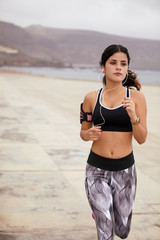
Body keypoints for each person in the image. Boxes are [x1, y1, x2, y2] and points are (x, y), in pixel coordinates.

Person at [80, 44, 147, 240]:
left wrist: (133, 115)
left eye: (123, 64)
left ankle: (104, 214)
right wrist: (88, 134)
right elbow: (83, 132)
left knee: (122, 231)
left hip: (125, 171)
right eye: (113, 63)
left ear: (127, 69)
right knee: (105, 230)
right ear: (103, 67)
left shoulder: (136, 97)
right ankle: (101, 213)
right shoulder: (91, 98)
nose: (118, 67)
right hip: (96, 169)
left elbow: (142, 139)